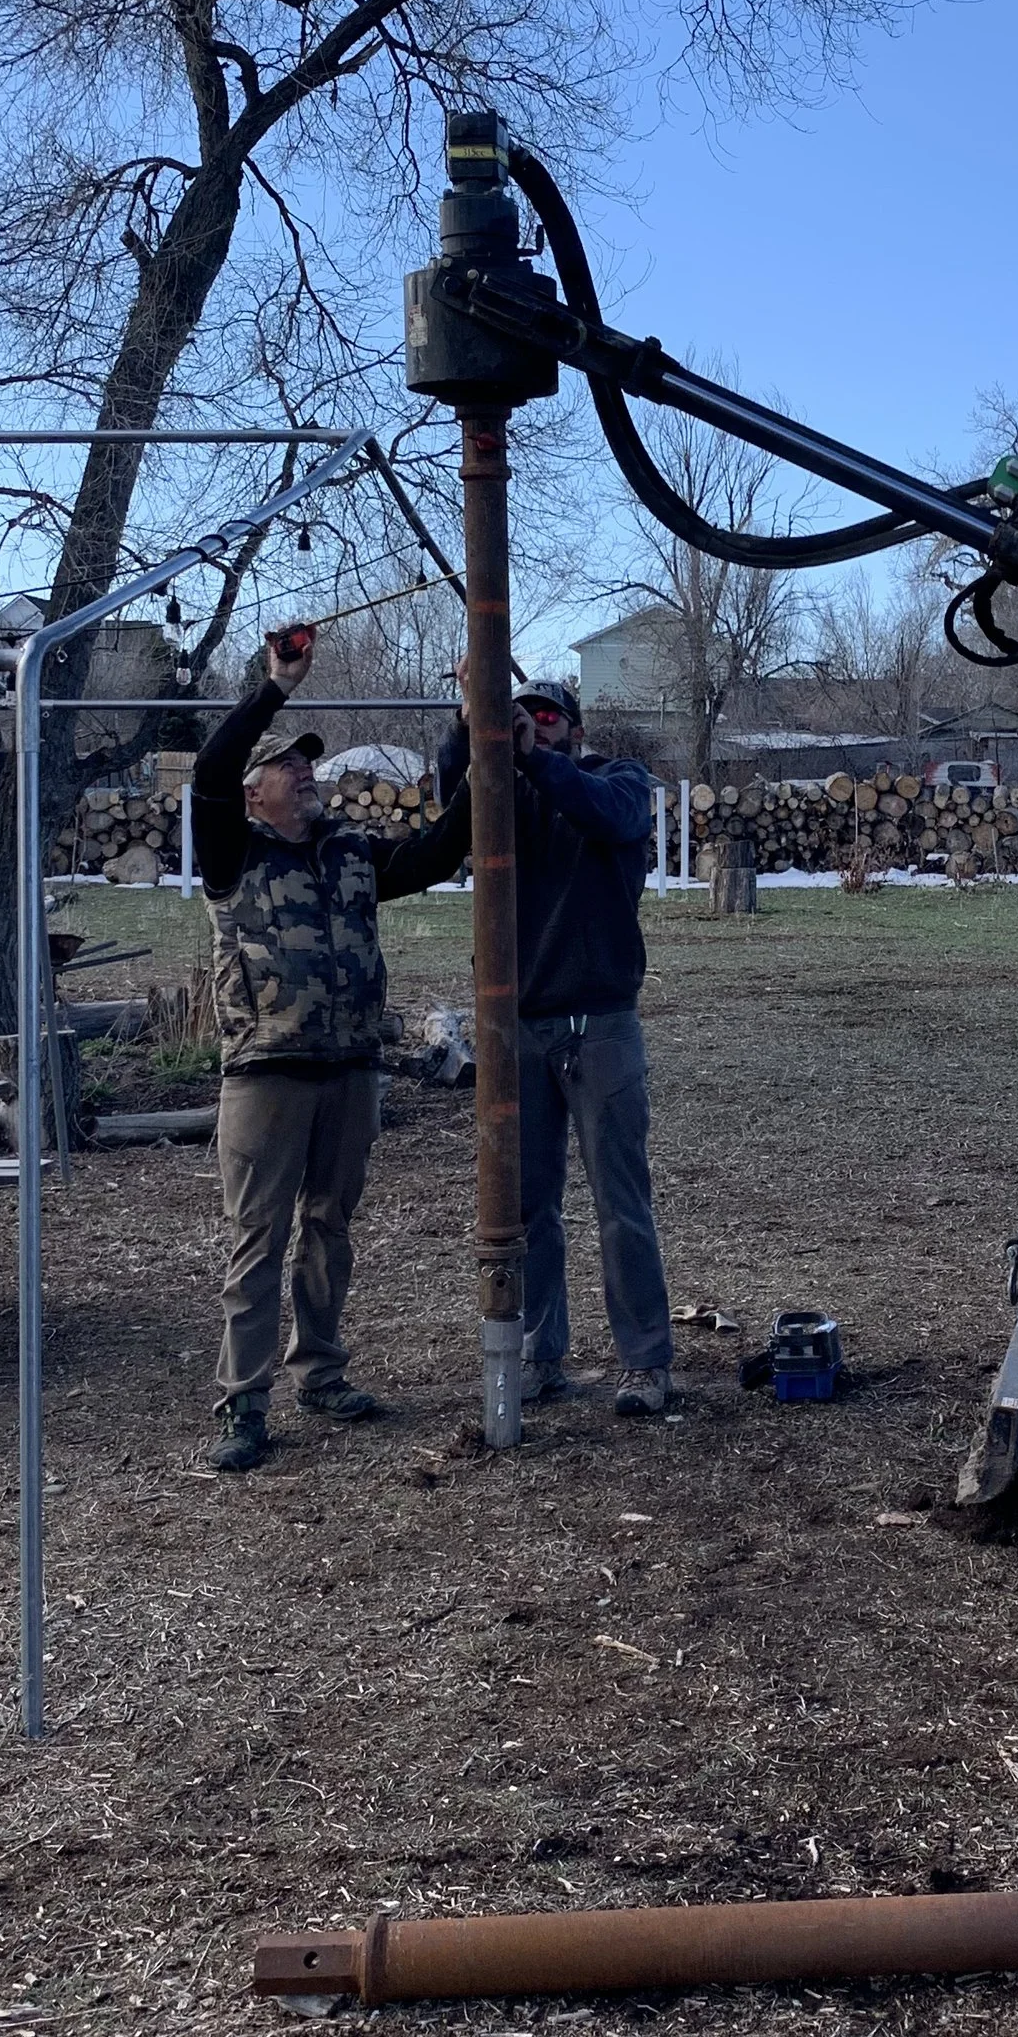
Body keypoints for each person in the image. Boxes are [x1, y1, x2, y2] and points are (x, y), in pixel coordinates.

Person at [193, 623, 475, 1472]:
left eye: (308, 763)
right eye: (288, 764)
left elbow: (439, 850)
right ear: (254, 792)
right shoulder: (231, 853)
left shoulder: (350, 854)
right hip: (265, 1076)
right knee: (259, 1239)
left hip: (350, 1072)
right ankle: (243, 1406)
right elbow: (207, 773)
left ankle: (319, 1369)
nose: (306, 772)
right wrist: (274, 688)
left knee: (331, 1226)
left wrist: (474, 728)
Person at [439, 670, 675, 1415]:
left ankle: (645, 1363)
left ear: (572, 727)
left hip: (600, 1023)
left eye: (547, 716)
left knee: (620, 1201)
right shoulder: (506, 798)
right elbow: (453, 797)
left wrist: (535, 757)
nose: (535, 724)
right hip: (522, 1029)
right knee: (528, 1205)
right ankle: (541, 1355)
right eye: (524, 716)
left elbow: (610, 814)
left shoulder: (617, 779)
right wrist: (466, 719)